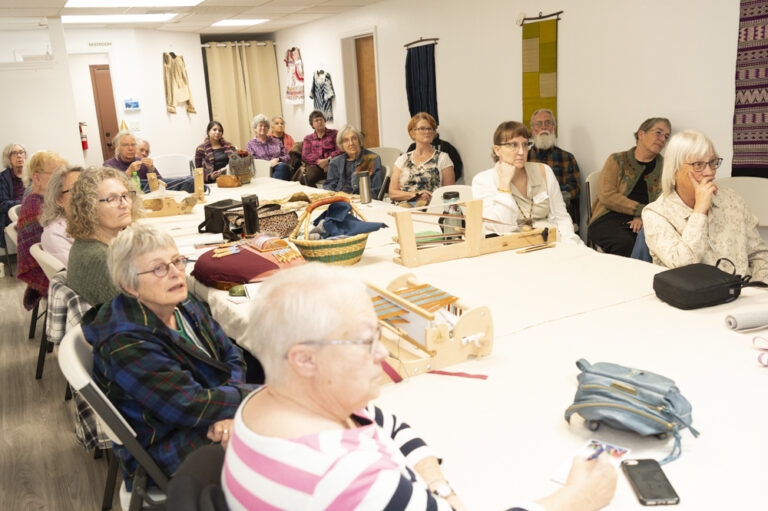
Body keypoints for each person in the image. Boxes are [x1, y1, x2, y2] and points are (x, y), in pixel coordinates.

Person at [222, 264, 616, 511]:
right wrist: (575, 501)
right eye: (365, 341)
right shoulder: (345, 476)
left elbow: (387, 424)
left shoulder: (268, 402)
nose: (382, 354)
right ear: (304, 359)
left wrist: (437, 488)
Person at [82, 223, 255, 489]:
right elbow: (187, 404)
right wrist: (255, 399)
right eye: (159, 268)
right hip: (163, 445)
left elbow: (231, 353)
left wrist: (231, 411)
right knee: (285, 428)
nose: (176, 273)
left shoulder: (180, 302)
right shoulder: (126, 341)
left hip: (201, 414)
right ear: (130, 286)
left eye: (177, 261)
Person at [643, 130, 768, 281]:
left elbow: (759, 254)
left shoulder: (731, 198)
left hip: (744, 295)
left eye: (712, 162)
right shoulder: (656, 214)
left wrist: (759, 290)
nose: (710, 172)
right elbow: (683, 266)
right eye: (698, 165)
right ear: (675, 170)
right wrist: (699, 211)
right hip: (696, 300)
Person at [472, 121, 581, 244]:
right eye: (513, 145)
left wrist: (570, 242)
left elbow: (561, 217)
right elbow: (501, 228)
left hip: (550, 240)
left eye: (525, 145)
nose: (521, 151)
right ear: (497, 150)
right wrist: (504, 186)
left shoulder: (544, 171)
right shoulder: (483, 180)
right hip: (512, 245)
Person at [587, 117, 671, 256]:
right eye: (658, 132)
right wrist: (642, 211)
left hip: (646, 221)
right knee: (626, 243)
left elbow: (665, 201)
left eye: (666, 136)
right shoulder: (617, 160)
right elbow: (606, 195)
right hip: (609, 217)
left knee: (654, 244)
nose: (662, 139)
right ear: (641, 134)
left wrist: (644, 218)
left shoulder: (666, 167)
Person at [67, 166, 140, 306]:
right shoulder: (101, 259)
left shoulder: (87, 244)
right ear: (89, 208)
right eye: (112, 199)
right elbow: (138, 314)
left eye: (125, 195)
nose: (124, 204)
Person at [17, 151, 67, 310]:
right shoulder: (36, 206)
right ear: (37, 177)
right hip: (54, 275)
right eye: (57, 174)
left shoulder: (45, 199)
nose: (62, 179)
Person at [527, 109, 582, 226]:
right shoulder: (523, 158)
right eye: (539, 124)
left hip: (559, 212)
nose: (544, 127)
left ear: (554, 128)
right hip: (529, 212)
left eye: (548, 123)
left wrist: (552, 199)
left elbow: (575, 189)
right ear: (532, 130)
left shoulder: (567, 158)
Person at [390, 112, 455, 204]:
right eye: (422, 128)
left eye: (430, 128)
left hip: (430, 208)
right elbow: (392, 193)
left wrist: (428, 197)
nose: (427, 131)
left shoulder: (443, 158)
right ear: (412, 133)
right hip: (402, 209)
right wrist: (415, 195)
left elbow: (449, 195)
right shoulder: (402, 159)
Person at [104, 131, 195, 193]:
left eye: (133, 145)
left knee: (188, 181)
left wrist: (152, 169)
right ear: (117, 147)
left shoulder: (141, 162)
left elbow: (162, 184)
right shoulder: (109, 165)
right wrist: (128, 173)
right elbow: (110, 190)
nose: (131, 148)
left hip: (149, 196)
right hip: (127, 198)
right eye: (126, 145)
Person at [323, 125, 383, 197]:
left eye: (354, 138)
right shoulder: (335, 162)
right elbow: (329, 186)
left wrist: (355, 198)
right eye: (346, 140)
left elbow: (375, 190)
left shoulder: (370, 159)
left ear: (359, 140)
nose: (351, 143)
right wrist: (332, 197)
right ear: (342, 145)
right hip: (338, 199)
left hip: (360, 201)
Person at [40, 166, 82, 266]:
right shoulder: (55, 234)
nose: (85, 193)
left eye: (88, 186)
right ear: (59, 200)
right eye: (75, 189)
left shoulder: (98, 218)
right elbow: (80, 271)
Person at [300, 110, 343, 187]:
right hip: (316, 166)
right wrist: (319, 162)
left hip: (333, 163)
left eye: (321, 119)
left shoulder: (334, 133)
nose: (319, 122)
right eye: (316, 121)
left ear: (324, 121)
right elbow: (305, 155)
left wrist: (328, 160)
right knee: (304, 178)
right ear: (312, 125)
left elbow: (340, 149)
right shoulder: (308, 138)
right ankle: (316, 195)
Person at [246, 114, 292, 181]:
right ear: (255, 128)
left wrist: (278, 159)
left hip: (279, 168)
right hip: (262, 172)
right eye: (260, 126)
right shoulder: (250, 145)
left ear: (268, 129)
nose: (263, 128)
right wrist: (267, 164)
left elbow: (287, 157)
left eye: (265, 126)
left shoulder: (276, 142)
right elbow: (252, 162)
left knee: (283, 167)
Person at [1, 143, 26, 250]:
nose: (19, 156)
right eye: (14, 153)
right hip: (14, 216)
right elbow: (2, 204)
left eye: (21, 152)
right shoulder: (3, 178)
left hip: (33, 212)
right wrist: (24, 202)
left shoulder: (33, 174)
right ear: (9, 158)